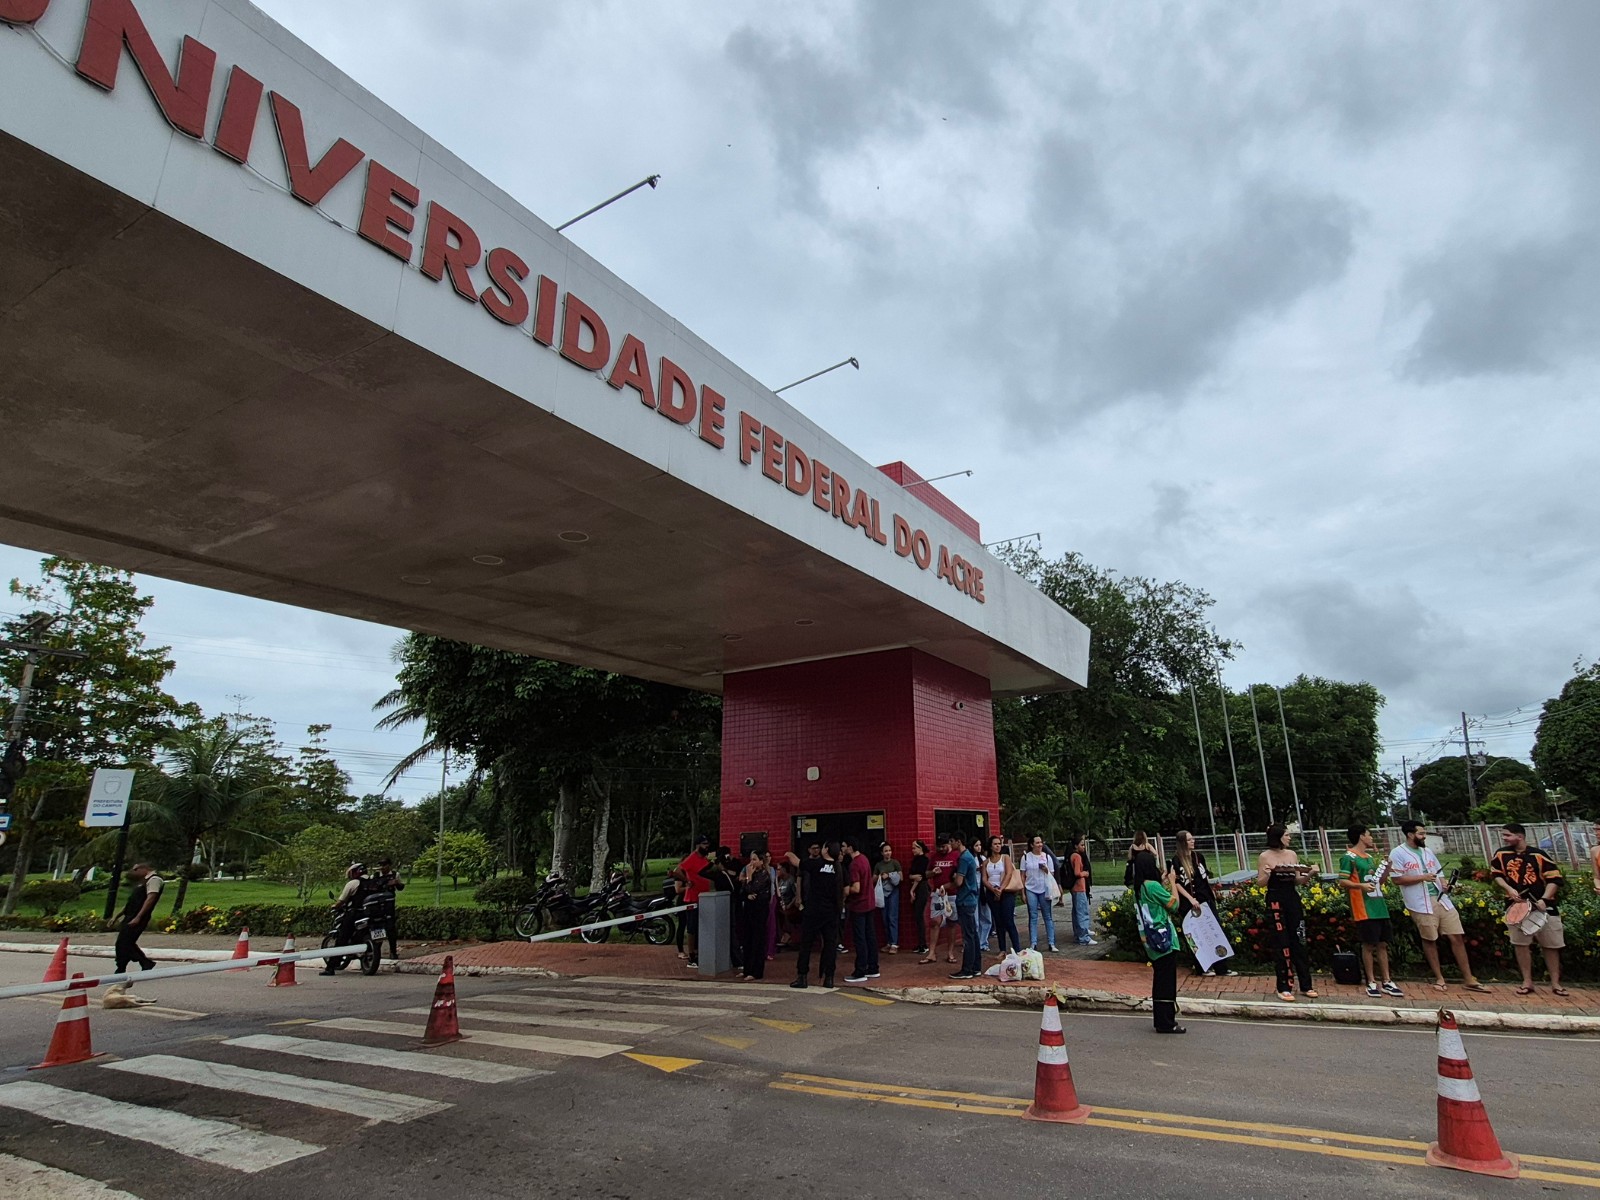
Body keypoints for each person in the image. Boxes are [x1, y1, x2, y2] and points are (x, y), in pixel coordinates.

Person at [1387, 819, 1490, 994]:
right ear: (1410, 834)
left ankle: (1468, 978)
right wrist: (1422, 877)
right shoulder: (1397, 853)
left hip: (1441, 899)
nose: (1424, 836)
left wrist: (1445, 885)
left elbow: (1439, 874)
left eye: (1424, 833)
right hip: (1420, 903)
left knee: (1456, 936)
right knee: (1430, 939)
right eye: (1420, 833)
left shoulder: (1427, 852)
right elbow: (1396, 879)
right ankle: (1439, 978)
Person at [1491, 823, 1567, 997]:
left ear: (1520, 836)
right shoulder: (1501, 854)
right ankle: (1527, 981)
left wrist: (1545, 899)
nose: (1504, 838)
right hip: (1517, 907)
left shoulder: (1539, 855)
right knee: (1521, 945)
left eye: (1508, 835)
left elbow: (1554, 879)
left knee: (1551, 945)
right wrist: (1509, 890)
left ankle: (1556, 983)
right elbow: (1497, 875)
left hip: (1543, 907)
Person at [1337, 825, 1401, 998]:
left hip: (1379, 905)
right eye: (1369, 834)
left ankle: (1387, 980)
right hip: (1363, 908)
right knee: (1368, 944)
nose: (1371, 837)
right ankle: (1371, 981)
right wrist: (1360, 886)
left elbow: (1379, 881)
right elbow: (1342, 881)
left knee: (1382, 944)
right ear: (1361, 836)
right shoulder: (1349, 857)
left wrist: (1387, 869)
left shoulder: (1371, 858)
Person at [1131, 849, 1191, 1034]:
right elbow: (1174, 904)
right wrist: (1172, 882)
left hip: (1150, 940)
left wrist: (1164, 883)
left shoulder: (1140, 887)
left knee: (1160, 981)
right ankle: (1167, 1022)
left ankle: (1161, 1019)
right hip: (1163, 938)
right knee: (1166, 982)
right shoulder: (1152, 886)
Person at [1257, 825, 1317, 1002]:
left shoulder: (1291, 855)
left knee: (1299, 939)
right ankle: (1284, 986)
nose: (1289, 838)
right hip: (1275, 899)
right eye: (1287, 835)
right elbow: (1260, 883)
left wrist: (1310, 874)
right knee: (1281, 941)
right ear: (1278, 837)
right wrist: (1267, 874)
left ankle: (1306, 985)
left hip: (1292, 899)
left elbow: (1297, 880)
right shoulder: (1265, 856)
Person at [1170, 830, 1235, 976]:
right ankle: (1202, 966)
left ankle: (1221, 966)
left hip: (1206, 899)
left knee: (1214, 931)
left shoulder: (1198, 857)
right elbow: (1178, 883)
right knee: (1198, 935)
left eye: (1193, 839)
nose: (1193, 841)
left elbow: (1204, 878)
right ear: (1182, 842)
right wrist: (1190, 898)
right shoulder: (1177, 860)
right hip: (1190, 902)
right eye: (1189, 840)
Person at [787, 841, 842, 989]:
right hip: (831, 912)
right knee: (830, 945)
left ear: (826, 849)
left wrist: (789, 853)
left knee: (806, 944)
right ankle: (829, 978)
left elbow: (797, 862)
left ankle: (802, 977)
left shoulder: (817, 864)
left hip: (813, 911)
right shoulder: (838, 868)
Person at [114, 863, 162, 983]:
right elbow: (132, 901)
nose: (133, 872)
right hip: (130, 915)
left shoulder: (154, 880)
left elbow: (150, 898)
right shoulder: (142, 882)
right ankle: (144, 963)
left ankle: (121, 969)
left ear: (144, 869)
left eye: (136, 869)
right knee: (125, 943)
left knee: (124, 942)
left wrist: (138, 917)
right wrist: (118, 915)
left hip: (139, 917)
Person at [671, 834, 713, 969]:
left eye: (707, 844)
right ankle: (692, 956)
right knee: (692, 928)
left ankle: (700, 952)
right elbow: (677, 871)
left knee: (702, 927)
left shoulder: (705, 859)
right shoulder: (692, 858)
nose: (707, 846)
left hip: (704, 896)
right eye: (704, 844)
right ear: (697, 845)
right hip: (692, 897)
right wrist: (687, 882)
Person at [842, 837, 880, 983]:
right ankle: (873, 967)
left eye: (845, 846)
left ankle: (860, 970)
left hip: (859, 905)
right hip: (869, 903)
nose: (843, 849)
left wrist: (845, 890)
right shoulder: (864, 859)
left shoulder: (854, 864)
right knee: (870, 936)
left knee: (860, 938)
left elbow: (856, 888)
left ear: (850, 848)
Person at [321, 863, 368, 975]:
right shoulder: (374, 882)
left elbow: (341, 901)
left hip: (355, 914)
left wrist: (335, 906)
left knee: (342, 939)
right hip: (371, 914)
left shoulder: (353, 883)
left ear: (355, 872)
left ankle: (330, 968)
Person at [948, 831, 983, 979]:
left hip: (965, 899)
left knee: (968, 936)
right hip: (971, 899)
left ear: (958, 841)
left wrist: (953, 878)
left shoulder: (963, 859)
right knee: (973, 934)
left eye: (952, 841)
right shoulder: (969, 857)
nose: (950, 844)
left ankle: (967, 969)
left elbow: (959, 882)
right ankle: (976, 966)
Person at [982, 836, 1023, 955]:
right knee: (998, 921)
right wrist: (992, 889)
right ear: (990, 846)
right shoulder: (986, 862)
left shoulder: (1005, 858)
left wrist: (1001, 888)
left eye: (999, 844)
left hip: (1006, 892)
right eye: (995, 844)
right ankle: (1002, 949)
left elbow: (1009, 873)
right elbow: (984, 879)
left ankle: (1017, 948)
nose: (997, 846)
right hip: (992, 892)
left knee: (1008, 920)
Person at [926, 835, 962, 965]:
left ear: (949, 844)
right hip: (937, 894)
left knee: (951, 923)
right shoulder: (934, 857)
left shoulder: (956, 856)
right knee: (934, 922)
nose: (941, 849)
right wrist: (933, 873)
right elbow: (926, 873)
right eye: (939, 847)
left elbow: (959, 877)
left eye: (944, 846)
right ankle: (931, 953)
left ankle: (950, 952)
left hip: (952, 894)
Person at [738, 850, 773, 981]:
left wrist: (749, 879)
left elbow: (753, 889)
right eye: (751, 859)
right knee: (747, 939)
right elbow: (743, 890)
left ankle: (756, 971)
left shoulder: (764, 875)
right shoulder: (751, 874)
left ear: (761, 861)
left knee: (757, 940)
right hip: (748, 910)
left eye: (754, 859)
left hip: (759, 910)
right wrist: (747, 893)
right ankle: (747, 968)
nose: (751, 863)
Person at [1021, 834, 1058, 952]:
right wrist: (1022, 892)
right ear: (1032, 845)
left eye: (1041, 842)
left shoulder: (1047, 857)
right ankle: (1033, 943)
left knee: (1047, 916)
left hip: (1044, 889)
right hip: (1030, 888)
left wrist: (1046, 870)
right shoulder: (1026, 857)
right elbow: (1022, 875)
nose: (1040, 845)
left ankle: (1051, 943)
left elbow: (1052, 874)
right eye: (1037, 843)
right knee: (1033, 916)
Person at [370, 857, 405, 961]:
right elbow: (371, 888)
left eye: (384, 865)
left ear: (389, 865)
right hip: (377, 904)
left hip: (389, 904)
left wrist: (396, 883)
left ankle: (393, 952)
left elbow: (400, 887)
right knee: (377, 928)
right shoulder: (375, 876)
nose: (382, 867)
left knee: (390, 928)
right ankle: (376, 952)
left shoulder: (395, 874)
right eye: (381, 865)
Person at [1068, 832, 1096, 946]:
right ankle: (1084, 937)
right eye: (1082, 845)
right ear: (1076, 846)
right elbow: (1077, 873)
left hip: (1074, 888)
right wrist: (1084, 873)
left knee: (1076, 912)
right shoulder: (1077, 856)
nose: (1083, 847)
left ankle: (1078, 934)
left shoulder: (1071, 855)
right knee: (1082, 913)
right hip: (1079, 887)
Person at [876, 842, 903, 953]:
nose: (888, 853)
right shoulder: (878, 865)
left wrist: (890, 875)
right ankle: (889, 941)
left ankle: (894, 944)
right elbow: (873, 879)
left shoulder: (895, 863)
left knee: (892, 917)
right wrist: (880, 877)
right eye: (886, 851)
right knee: (884, 918)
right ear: (882, 853)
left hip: (893, 892)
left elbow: (901, 877)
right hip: (882, 892)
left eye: (889, 850)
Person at [907, 839, 931, 957]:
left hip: (921, 888)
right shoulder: (915, 860)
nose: (913, 850)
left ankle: (923, 944)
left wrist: (912, 890)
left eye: (915, 848)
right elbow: (911, 875)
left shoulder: (924, 860)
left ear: (920, 848)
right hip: (916, 887)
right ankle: (921, 942)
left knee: (919, 914)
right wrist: (913, 877)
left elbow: (919, 877)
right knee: (917, 916)